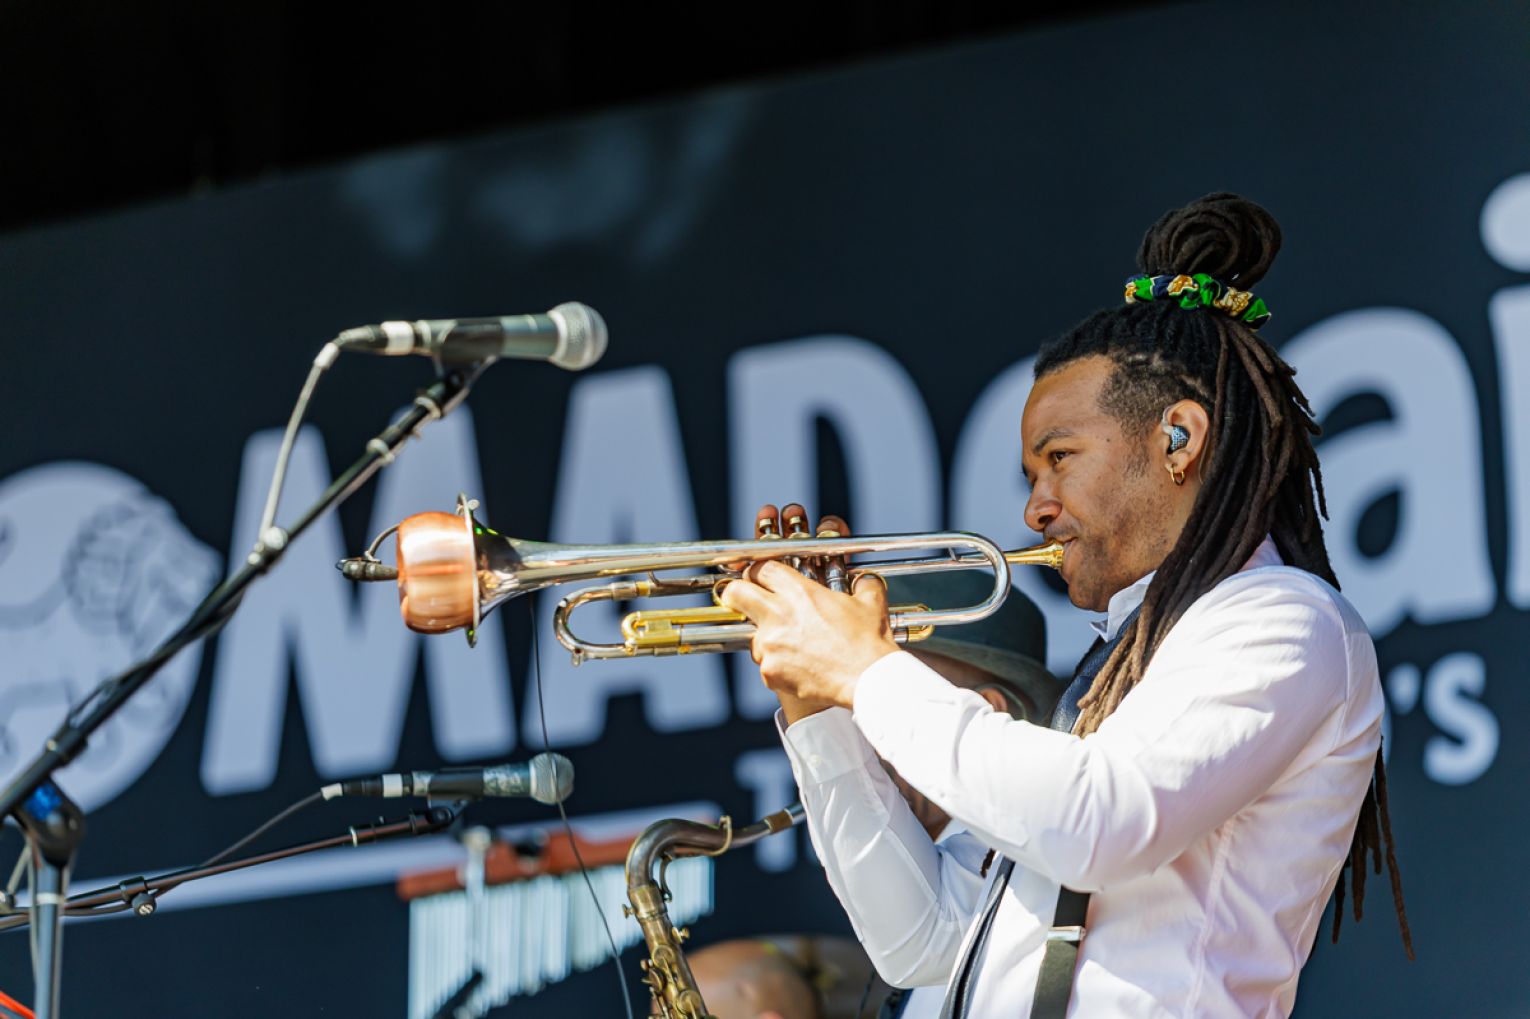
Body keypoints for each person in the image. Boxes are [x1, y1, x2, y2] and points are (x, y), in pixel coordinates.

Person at [722, 194, 1411, 1017]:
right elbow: (924, 942)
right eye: (1032, 476)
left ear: (1179, 440)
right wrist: (816, 702)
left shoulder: (1287, 622)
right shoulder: (1111, 675)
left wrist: (866, 669)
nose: (1035, 509)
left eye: (1060, 459)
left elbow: (1099, 823)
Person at [689, 568, 1057, 1019]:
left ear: (983, 710)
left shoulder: (1023, 865)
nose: (855, 711)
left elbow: (918, 943)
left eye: (875, 685)